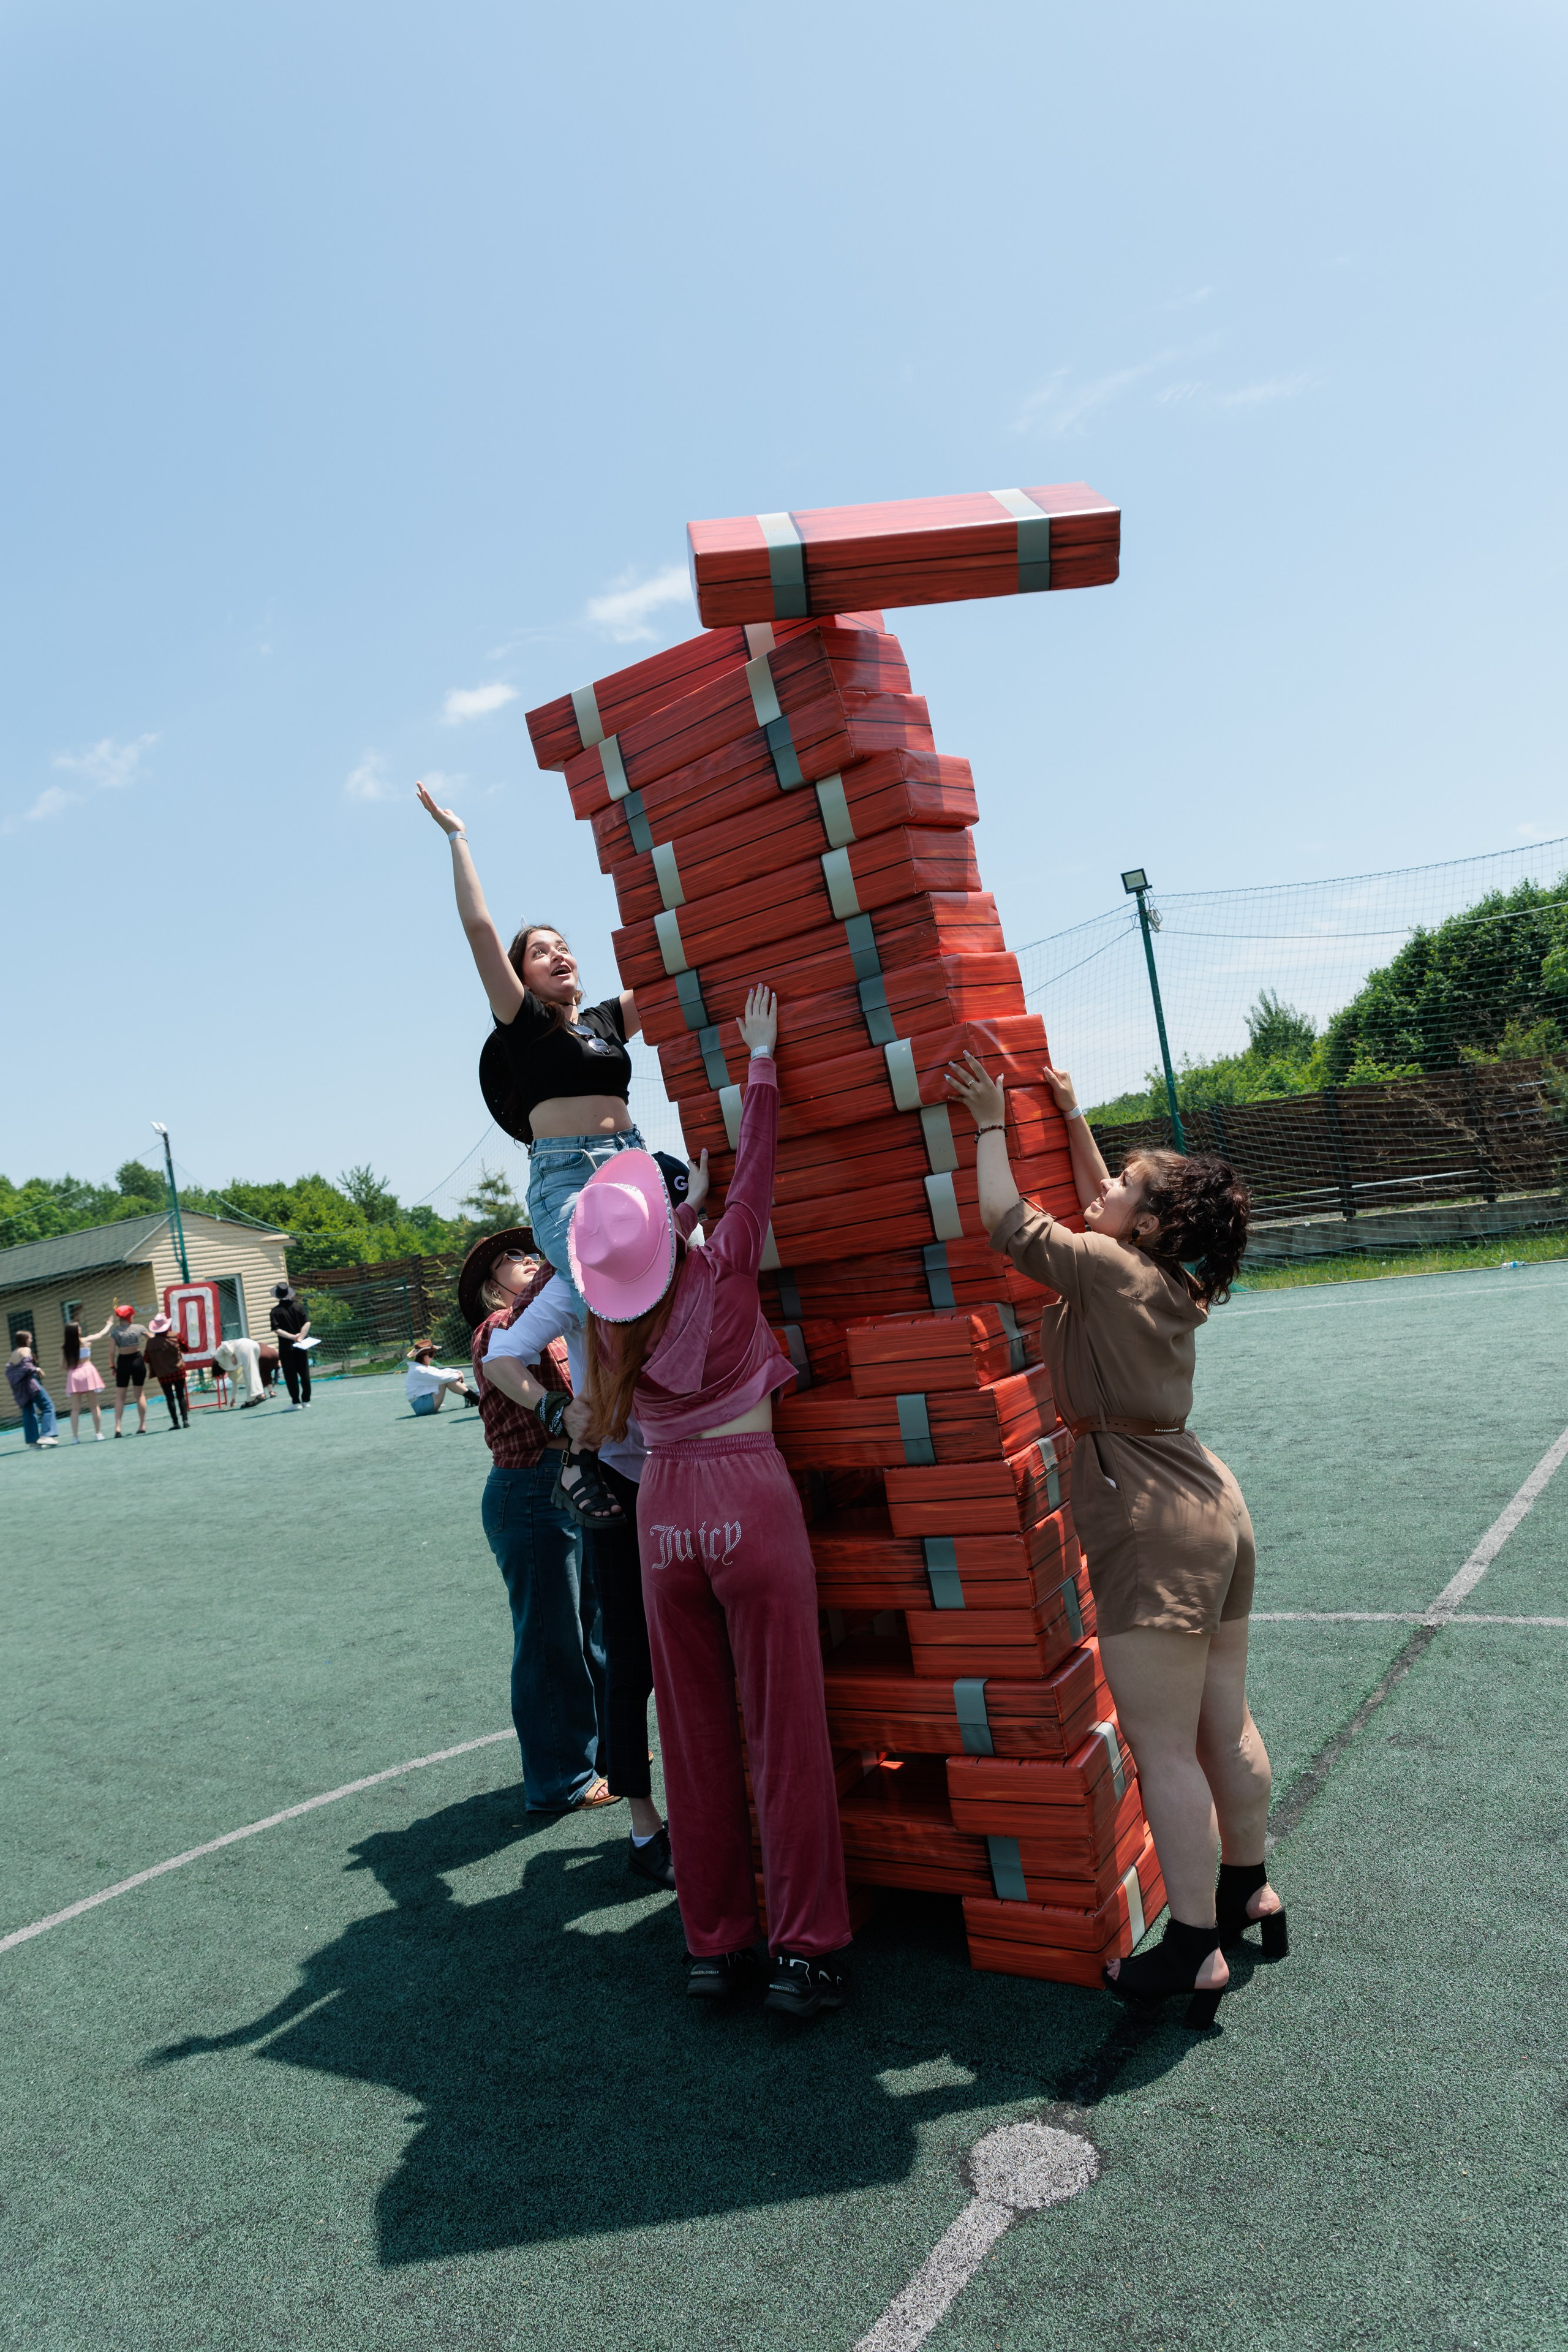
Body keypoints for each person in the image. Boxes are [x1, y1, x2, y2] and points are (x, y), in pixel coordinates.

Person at [946, 1050, 1287, 2030]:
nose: (1102, 1188)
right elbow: (1104, 1205)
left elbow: (1010, 1224)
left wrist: (985, 1123)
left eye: (1124, 1186)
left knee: (1163, 1747)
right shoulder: (1173, 1277)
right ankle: (1249, 1890)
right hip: (1212, 1501)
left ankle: (1192, 1947)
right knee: (1223, 1721)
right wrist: (1071, 1112)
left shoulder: (1102, 1265)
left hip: (1149, 1517)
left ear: (1145, 1219)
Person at [579, 988, 853, 2019]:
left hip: (665, 1512)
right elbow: (760, 1157)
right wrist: (764, 1059)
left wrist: (662, 1217)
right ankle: (808, 1948)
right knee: (782, 1731)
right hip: (748, 1495)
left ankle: (716, 1946)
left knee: (692, 1739)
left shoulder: (614, 1332)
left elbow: (639, 1254)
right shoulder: (727, 1259)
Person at [417, 777, 645, 1532]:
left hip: (631, 1161)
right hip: (569, 1179)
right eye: (540, 953)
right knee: (597, 1290)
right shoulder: (524, 1025)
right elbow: (481, 929)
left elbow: (675, 972)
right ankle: (581, 1447)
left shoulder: (607, 1022)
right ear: (522, 976)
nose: (558, 957)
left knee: (677, 1271)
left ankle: (642, 1423)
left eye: (564, 948)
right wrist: (457, 836)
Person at [486, 1151, 707, 1892]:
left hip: (697, 1471)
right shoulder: (580, 1283)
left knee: (707, 1643)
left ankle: (715, 1804)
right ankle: (645, 1822)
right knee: (628, 1652)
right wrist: (556, 1406)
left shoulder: (696, 1263)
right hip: (621, 1478)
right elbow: (502, 1358)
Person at [461, 1226, 615, 1815]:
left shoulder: (559, 1317)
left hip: (574, 1482)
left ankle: (602, 1754)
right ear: (490, 1287)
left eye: (533, 1252)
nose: (529, 1260)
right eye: (513, 1259)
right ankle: (562, 1781)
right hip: (531, 1489)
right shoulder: (500, 1329)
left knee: (595, 1629)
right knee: (554, 1641)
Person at [6, 1335, 60, 1447]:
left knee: (28, 1412)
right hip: (31, 1385)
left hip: (21, 1388)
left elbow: (10, 1371)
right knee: (48, 1406)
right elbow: (27, 1365)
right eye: (30, 1338)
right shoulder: (26, 1350)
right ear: (25, 1340)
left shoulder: (14, 1353)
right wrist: (37, 1369)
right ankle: (47, 1435)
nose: (31, 1340)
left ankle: (33, 1441)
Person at [61, 1317, 108, 1441]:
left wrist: (72, 1369)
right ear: (77, 1331)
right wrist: (109, 1325)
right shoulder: (86, 1341)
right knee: (94, 1406)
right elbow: (100, 1334)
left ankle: (75, 1437)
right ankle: (98, 1433)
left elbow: (62, 1365)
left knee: (75, 1409)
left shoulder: (65, 1347)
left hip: (74, 1374)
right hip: (88, 1372)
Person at [269, 1281, 314, 1408]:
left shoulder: (275, 1312)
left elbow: (276, 1329)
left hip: (286, 1348)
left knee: (290, 1375)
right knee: (304, 1373)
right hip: (301, 1345)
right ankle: (306, 1400)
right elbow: (307, 1323)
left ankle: (296, 1401)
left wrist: (292, 1337)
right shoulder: (298, 1307)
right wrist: (300, 1337)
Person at [404, 1341, 480, 1416]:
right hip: (422, 1406)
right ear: (423, 1356)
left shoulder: (420, 1368)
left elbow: (440, 1372)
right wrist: (458, 1376)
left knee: (448, 1378)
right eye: (431, 1354)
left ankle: (473, 1395)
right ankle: (475, 1397)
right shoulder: (419, 1370)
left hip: (423, 1403)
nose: (433, 1357)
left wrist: (457, 1372)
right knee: (446, 1380)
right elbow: (442, 1377)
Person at [108, 1302, 150, 1436]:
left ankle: (118, 1428)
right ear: (130, 1316)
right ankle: (142, 1425)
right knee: (140, 1394)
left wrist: (112, 1366)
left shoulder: (115, 1332)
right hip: (137, 1360)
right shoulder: (139, 1328)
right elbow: (152, 1338)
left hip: (123, 1362)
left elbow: (111, 1352)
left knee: (120, 1396)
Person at [144, 1314, 190, 1429]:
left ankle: (175, 1423)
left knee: (169, 1397)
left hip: (162, 1373)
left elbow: (146, 1358)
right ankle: (185, 1421)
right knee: (181, 1396)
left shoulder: (151, 1343)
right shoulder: (175, 1336)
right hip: (178, 1370)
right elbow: (186, 1349)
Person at [215, 1333, 268, 1408]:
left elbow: (224, 1345)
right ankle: (250, 1399)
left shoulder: (218, 1357)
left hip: (244, 1346)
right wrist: (234, 1398)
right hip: (254, 1345)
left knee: (250, 1372)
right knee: (251, 1372)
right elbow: (235, 1381)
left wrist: (232, 1355)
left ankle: (260, 1394)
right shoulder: (227, 1364)